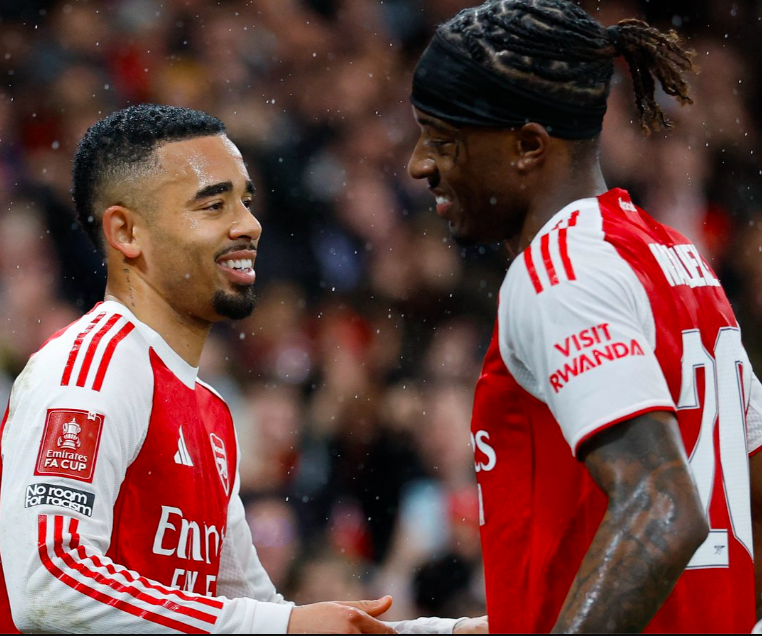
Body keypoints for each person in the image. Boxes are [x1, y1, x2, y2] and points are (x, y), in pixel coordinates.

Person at [0, 104, 485, 634]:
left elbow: (259, 614)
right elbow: (48, 588)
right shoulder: (88, 371)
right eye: (214, 205)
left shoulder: (209, 411)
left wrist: (457, 632)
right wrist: (286, 626)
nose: (249, 224)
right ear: (127, 232)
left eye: (246, 202)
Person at [407, 0, 762, 633]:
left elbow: (660, 507)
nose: (420, 165)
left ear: (527, 145)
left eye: (443, 141)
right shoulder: (675, 257)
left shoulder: (557, 276)